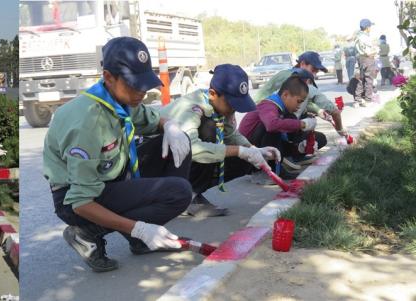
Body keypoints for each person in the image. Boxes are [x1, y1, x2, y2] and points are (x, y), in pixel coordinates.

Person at [43, 37, 195, 273]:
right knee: (179, 192)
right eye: (135, 85)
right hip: (75, 198)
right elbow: (81, 202)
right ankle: (89, 233)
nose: (142, 93)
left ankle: (138, 240)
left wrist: (170, 126)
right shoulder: (88, 123)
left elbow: (153, 121)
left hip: (111, 177)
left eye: (144, 85)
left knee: (180, 143)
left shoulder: (121, 101)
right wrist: (140, 228)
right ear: (108, 77)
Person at [162, 64, 282, 217]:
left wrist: (254, 149)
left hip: (179, 161)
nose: (234, 110)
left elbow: (231, 134)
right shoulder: (193, 108)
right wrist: (239, 151)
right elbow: (192, 147)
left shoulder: (217, 108)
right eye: (232, 104)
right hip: (160, 161)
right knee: (210, 129)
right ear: (213, 94)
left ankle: (193, 193)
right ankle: (184, 197)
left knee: (243, 160)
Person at [238, 75, 323, 179]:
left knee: (291, 122)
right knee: (275, 125)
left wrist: (301, 147)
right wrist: (302, 124)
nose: (299, 106)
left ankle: (293, 158)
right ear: (286, 95)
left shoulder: (284, 111)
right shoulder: (268, 105)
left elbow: (284, 137)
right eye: (299, 101)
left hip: (261, 150)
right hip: (247, 156)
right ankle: (267, 173)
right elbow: (271, 125)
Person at [354, 19, 380, 107]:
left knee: (362, 79)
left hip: (362, 59)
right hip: (367, 59)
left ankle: (358, 99)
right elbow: (368, 52)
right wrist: (376, 51)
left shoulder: (358, 36)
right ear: (367, 27)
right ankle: (368, 100)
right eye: (370, 26)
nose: (371, 28)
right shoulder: (364, 37)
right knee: (369, 79)